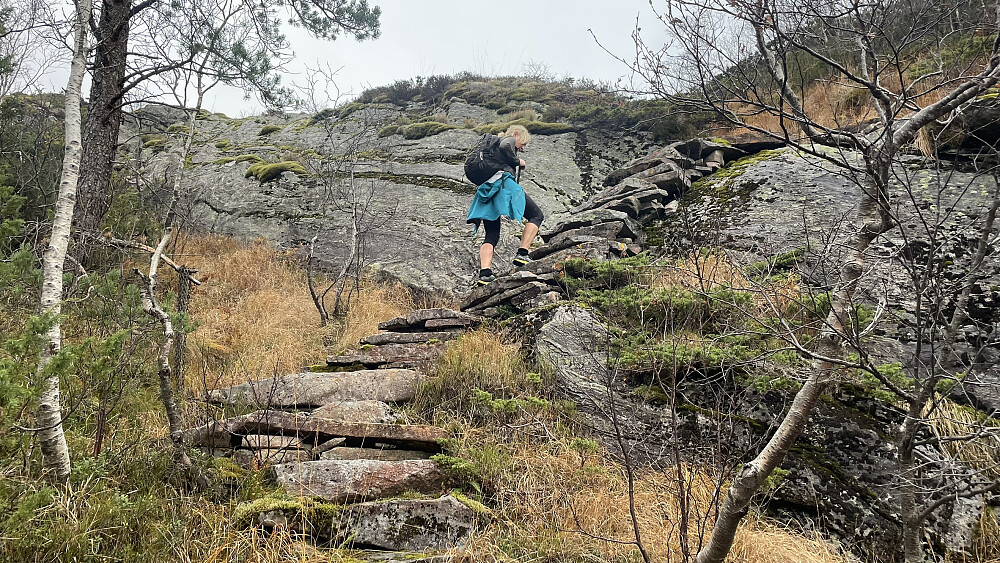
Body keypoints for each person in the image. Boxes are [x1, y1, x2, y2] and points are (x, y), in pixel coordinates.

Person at [465, 124, 544, 286]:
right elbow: (505, 145)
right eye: (523, 143)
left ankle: (485, 273)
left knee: (491, 235)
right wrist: (517, 161)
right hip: (502, 185)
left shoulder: (491, 150)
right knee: (536, 215)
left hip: (486, 190)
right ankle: (523, 253)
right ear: (516, 134)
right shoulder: (507, 140)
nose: (523, 148)